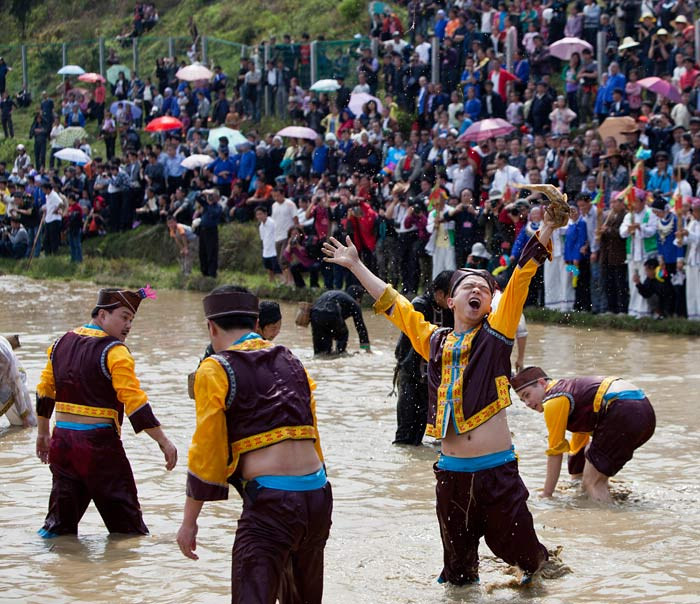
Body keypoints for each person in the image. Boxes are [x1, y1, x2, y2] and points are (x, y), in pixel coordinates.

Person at [322, 198, 566, 584]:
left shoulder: (497, 334)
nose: (476, 291)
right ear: (450, 300)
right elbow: (394, 305)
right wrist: (355, 265)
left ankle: (541, 566)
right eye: (467, 287)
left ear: (489, 304)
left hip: (497, 470)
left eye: (484, 290)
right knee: (458, 573)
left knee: (526, 561)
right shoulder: (432, 340)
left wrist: (548, 229)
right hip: (450, 474)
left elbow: (520, 278)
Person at [176, 286, 332, 603]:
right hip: (318, 496)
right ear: (257, 322)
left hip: (272, 503)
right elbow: (313, 432)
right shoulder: (292, 360)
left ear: (212, 327)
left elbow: (207, 451)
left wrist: (189, 522)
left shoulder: (215, 367)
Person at [35, 286, 177, 537]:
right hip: (99, 450)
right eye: (123, 317)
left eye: (131, 319)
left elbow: (45, 391)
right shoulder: (115, 351)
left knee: (57, 529)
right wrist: (164, 442)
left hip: (63, 445)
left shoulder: (59, 344)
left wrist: (43, 434)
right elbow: (134, 401)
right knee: (129, 532)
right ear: (102, 315)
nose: (128, 325)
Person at [511, 366, 656, 503]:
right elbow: (580, 443)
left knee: (591, 483)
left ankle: (608, 522)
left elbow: (555, 452)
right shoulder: (572, 391)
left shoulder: (553, 401)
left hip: (624, 409)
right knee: (592, 464)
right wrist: (576, 480)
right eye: (523, 400)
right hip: (645, 412)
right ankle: (612, 500)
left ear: (542, 383)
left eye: (527, 395)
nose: (527, 403)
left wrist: (547, 494)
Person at [393, 270, 454, 446]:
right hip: (411, 374)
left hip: (432, 378)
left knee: (421, 428)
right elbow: (407, 345)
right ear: (439, 294)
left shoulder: (450, 311)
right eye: (451, 295)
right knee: (405, 430)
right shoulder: (419, 306)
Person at [310, 285, 370, 355]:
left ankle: (321, 354)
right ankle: (339, 353)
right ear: (358, 299)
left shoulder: (339, 295)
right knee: (343, 334)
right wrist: (366, 349)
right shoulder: (354, 303)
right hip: (331, 312)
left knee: (321, 349)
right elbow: (360, 327)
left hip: (314, 314)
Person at [0, 335, 36, 427]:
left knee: (28, 424)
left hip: (11, 385)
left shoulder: (5, 358)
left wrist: (23, 414)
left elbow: (15, 384)